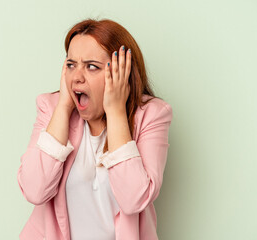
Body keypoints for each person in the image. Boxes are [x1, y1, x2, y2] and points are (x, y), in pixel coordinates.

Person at [17, 18, 173, 240]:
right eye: (71, 65)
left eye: (91, 66)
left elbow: (133, 200)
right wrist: (63, 107)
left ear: (121, 73)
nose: (77, 77)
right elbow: (34, 190)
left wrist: (117, 111)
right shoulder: (50, 108)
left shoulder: (152, 115)